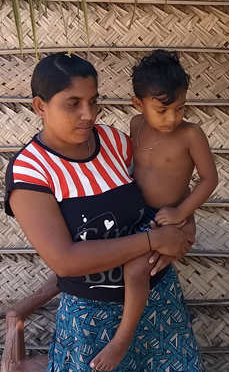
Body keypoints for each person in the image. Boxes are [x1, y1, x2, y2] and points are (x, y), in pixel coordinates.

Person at [5, 52, 203, 371]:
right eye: (73, 103)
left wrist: (185, 223)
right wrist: (153, 240)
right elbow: (65, 260)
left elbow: (165, 187)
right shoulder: (31, 171)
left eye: (93, 101)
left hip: (158, 302)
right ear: (40, 106)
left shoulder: (113, 142)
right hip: (91, 322)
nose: (88, 114)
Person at [90, 50, 218, 370]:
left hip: (167, 218)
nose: (172, 118)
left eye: (180, 108)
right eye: (162, 110)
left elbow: (209, 179)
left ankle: (122, 340)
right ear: (138, 104)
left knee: (136, 269)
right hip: (136, 213)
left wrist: (182, 214)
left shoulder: (191, 134)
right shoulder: (135, 125)